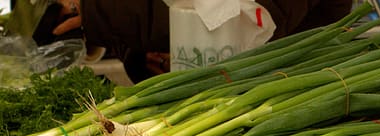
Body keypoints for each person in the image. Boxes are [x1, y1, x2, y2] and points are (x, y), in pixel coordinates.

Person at [51, 0, 354, 82]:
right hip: (209, 91)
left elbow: (241, 17)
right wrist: (139, 55)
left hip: (281, 96)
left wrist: (95, 9)